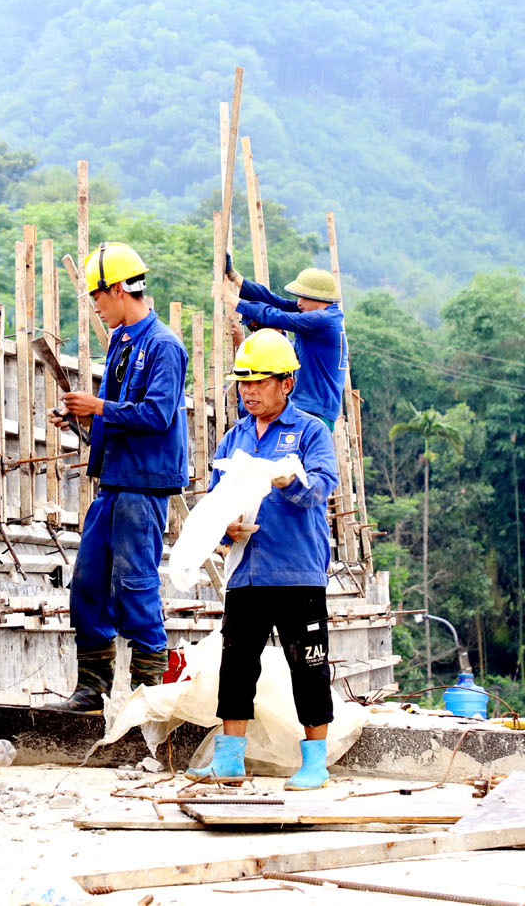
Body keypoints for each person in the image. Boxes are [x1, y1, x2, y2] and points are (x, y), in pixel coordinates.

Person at [187, 329, 340, 788]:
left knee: (308, 666)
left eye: (259, 382)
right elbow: (217, 500)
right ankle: (229, 759)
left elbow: (319, 489)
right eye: (243, 382)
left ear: (286, 383)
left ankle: (315, 762)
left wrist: (286, 482)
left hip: (297, 574)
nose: (248, 391)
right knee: (236, 667)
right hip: (246, 573)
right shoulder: (235, 436)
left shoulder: (311, 431)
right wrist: (224, 529)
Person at [46, 242, 189, 712]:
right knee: (87, 583)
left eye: (97, 297)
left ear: (119, 289)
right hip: (114, 482)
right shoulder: (122, 345)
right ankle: (92, 690)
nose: (96, 307)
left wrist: (100, 407)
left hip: (143, 485)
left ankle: (150, 696)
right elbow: (119, 414)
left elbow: (158, 414)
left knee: (135, 584)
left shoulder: (164, 345)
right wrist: (82, 419)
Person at [223, 266, 346, 426]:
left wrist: (231, 299)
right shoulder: (318, 313)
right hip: (309, 407)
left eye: (303, 297)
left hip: (315, 409)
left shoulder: (322, 320)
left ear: (319, 299)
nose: (299, 303)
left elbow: (277, 316)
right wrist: (235, 277)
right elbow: (275, 302)